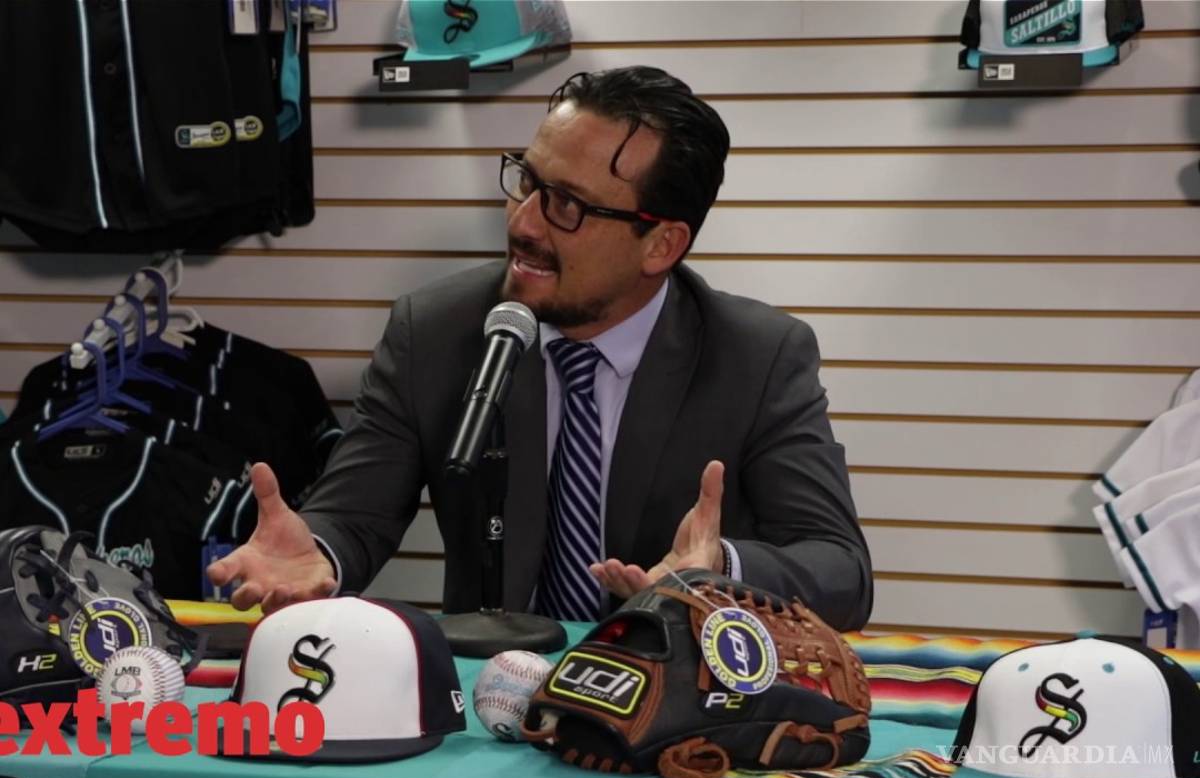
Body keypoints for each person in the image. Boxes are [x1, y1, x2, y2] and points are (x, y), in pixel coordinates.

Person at [207, 66, 873, 630]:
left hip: (673, 693)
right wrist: (317, 551)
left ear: (662, 245)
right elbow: (355, 512)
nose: (523, 223)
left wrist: (721, 567)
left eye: (567, 206)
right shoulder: (435, 331)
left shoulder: (756, 358)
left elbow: (841, 570)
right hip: (492, 689)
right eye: (527, 182)